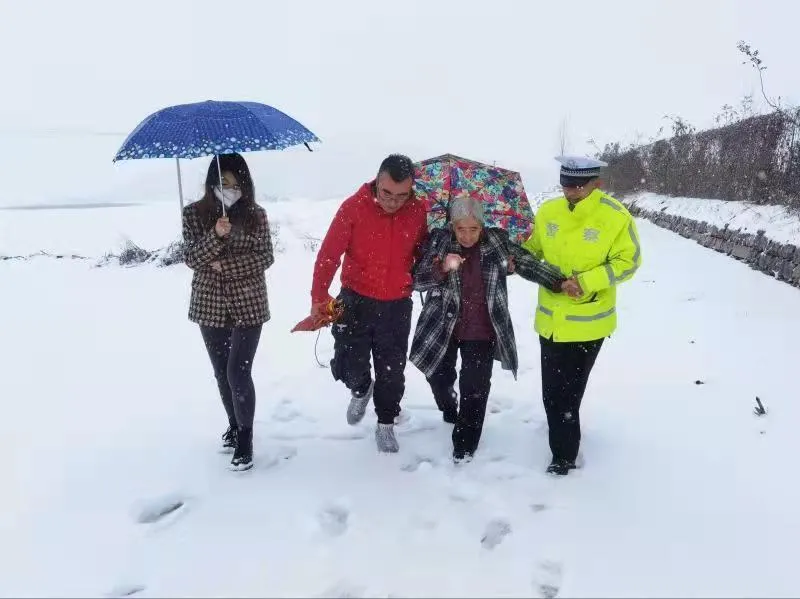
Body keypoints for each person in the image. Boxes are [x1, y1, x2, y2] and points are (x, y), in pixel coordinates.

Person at [409, 195, 566, 462]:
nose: (467, 236)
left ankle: (465, 444)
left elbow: (526, 262)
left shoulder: (496, 242)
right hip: (443, 326)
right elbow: (417, 279)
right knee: (438, 375)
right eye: (461, 229)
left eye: (474, 229)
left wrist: (558, 282)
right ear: (452, 226)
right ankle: (448, 403)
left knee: (476, 387)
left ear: (482, 226)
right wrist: (441, 268)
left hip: (482, 329)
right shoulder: (439, 241)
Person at [522, 156, 642, 475]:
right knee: (552, 393)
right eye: (565, 185)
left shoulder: (615, 217)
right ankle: (562, 438)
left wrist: (587, 282)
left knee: (568, 395)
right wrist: (515, 257)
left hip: (589, 325)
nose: (571, 192)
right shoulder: (548, 211)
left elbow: (628, 262)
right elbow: (533, 248)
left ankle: (563, 457)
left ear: (596, 184)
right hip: (550, 322)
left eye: (578, 186)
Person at [309, 154, 428, 453]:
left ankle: (386, 422)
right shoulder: (353, 207)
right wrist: (319, 297)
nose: (393, 202)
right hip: (355, 299)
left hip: (397, 303)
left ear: (411, 189)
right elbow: (328, 255)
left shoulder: (418, 211)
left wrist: (435, 264)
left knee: (391, 371)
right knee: (350, 362)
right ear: (377, 180)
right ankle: (360, 388)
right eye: (387, 193)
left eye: (401, 196)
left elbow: (422, 253)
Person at [182, 153, 274, 472]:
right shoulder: (193, 214)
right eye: (222, 183)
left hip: (249, 303)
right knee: (222, 372)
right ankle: (234, 426)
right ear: (212, 184)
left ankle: (246, 439)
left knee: (238, 371)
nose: (228, 189)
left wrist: (228, 264)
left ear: (244, 185)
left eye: (235, 184)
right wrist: (216, 235)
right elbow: (192, 257)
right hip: (210, 304)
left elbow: (265, 257)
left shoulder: (256, 215)